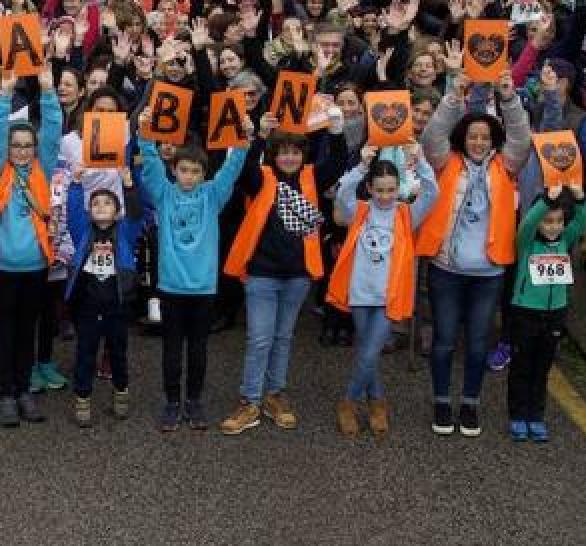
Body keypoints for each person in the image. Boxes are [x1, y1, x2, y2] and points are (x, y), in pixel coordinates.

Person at [220, 107, 348, 435]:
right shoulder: (261, 177)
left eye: (295, 152)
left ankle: (275, 395)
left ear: (302, 155)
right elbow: (244, 167)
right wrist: (260, 136)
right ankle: (250, 400)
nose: (289, 158)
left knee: (283, 337)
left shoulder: (311, 177)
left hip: (297, 275)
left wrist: (335, 131)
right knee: (260, 338)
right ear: (274, 155)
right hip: (262, 272)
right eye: (283, 152)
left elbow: (335, 163)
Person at [417, 70, 531, 437]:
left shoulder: (507, 165)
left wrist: (509, 98)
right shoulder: (443, 161)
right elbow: (432, 134)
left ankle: (470, 403)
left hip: (489, 272)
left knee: (479, 343)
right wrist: (455, 93)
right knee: (445, 340)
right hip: (446, 268)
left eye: (485, 137)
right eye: (472, 136)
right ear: (462, 138)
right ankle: (440, 401)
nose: (479, 142)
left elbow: (520, 138)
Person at [0, 64, 60, 427]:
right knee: (3, 332)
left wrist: (48, 92)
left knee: (27, 332)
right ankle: (6, 392)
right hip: (1, 267)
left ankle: (24, 390)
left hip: (36, 267)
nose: (21, 151)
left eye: (27, 146)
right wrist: (4, 94)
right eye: (16, 145)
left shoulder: (43, 170)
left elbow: (52, 130)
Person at [138, 129, 249, 432]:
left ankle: (194, 401)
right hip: (171, 288)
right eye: (183, 170)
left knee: (198, 349)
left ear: (203, 174)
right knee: (171, 350)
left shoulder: (213, 195)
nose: (188, 177)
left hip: (203, 289)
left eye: (195, 172)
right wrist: (145, 135)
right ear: (173, 170)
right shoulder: (163, 193)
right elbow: (149, 162)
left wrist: (244, 139)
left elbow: (233, 167)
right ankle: (172, 402)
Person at [329, 145, 437, 438]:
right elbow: (342, 194)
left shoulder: (405, 215)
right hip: (360, 293)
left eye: (391, 190)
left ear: (398, 188)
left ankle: (348, 403)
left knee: (370, 352)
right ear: (370, 188)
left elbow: (432, 193)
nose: (386, 196)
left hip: (388, 296)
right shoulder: (359, 211)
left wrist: (421, 161)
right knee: (367, 351)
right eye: (380, 190)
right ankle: (377, 404)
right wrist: (362, 166)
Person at [506, 184, 586, 442]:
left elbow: (584, 221)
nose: (553, 227)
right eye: (548, 221)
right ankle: (518, 415)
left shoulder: (565, 240)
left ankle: (536, 416)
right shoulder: (527, 243)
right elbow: (528, 224)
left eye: (558, 222)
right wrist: (545, 201)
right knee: (522, 366)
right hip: (525, 312)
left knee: (542, 368)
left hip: (555, 313)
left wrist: (579, 198)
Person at [64, 166, 143, 427]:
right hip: (87, 307)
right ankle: (83, 398)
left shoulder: (125, 234)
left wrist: (129, 185)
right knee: (85, 352)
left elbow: (135, 215)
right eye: (95, 203)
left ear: (116, 210)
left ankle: (121, 391)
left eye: (107, 202)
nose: (100, 206)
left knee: (118, 352)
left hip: (116, 306)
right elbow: (73, 212)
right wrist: (76, 184)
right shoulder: (83, 233)